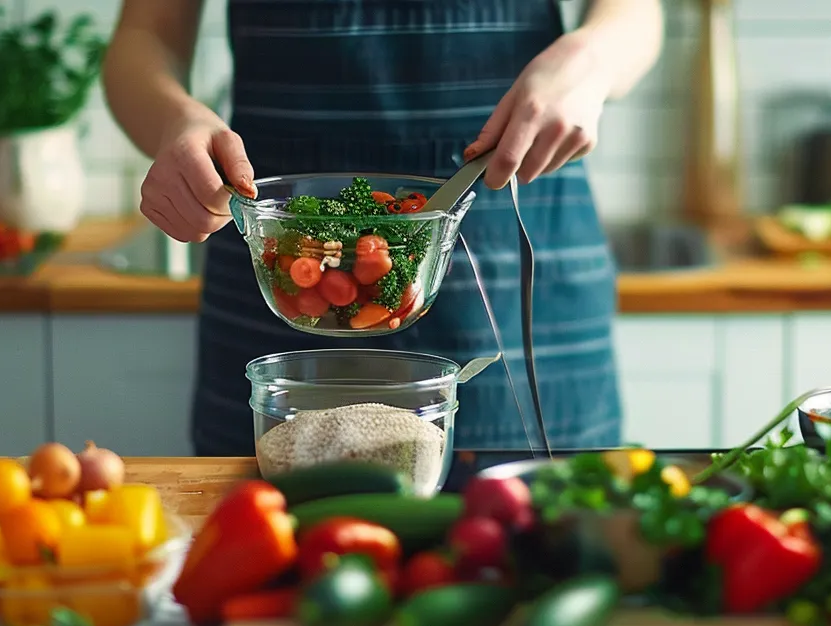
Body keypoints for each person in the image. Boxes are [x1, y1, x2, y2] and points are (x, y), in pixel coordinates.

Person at [103, 0, 664, 458]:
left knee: (538, 557)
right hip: (282, 260)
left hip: (516, 256)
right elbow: (146, 35)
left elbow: (637, 13)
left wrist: (590, 58)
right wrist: (176, 120)